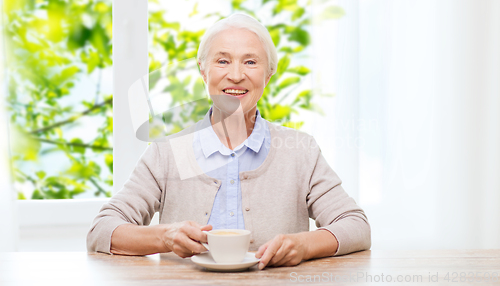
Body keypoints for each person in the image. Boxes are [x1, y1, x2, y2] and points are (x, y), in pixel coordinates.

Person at [87, 13, 371, 269]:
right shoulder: (168, 152)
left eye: (250, 62)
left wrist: (303, 245)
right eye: (222, 61)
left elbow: (356, 226)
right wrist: (165, 236)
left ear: (268, 74)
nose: (236, 75)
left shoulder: (300, 150)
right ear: (203, 71)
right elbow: (102, 230)